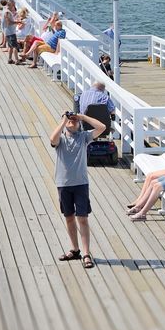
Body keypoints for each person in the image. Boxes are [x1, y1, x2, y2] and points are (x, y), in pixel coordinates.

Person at [49, 109, 105, 270]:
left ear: (79, 124)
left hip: (80, 183)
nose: (71, 121)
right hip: (63, 184)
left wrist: (82, 117)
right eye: (69, 120)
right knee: (69, 217)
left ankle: (86, 253)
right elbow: (52, 139)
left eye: (74, 121)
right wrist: (63, 120)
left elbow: (101, 127)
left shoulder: (83, 137)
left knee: (82, 218)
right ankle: (75, 250)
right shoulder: (61, 139)